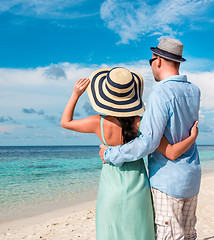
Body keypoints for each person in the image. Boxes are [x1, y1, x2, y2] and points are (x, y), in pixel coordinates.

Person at [61, 67, 198, 240]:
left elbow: (66, 122)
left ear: (105, 95)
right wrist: (192, 137)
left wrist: (75, 94)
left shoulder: (97, 122)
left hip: (110, 192)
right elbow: (170, 152)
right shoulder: (141, 123)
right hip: (138, 190)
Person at [99, 37, 201, 240]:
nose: (151, 65)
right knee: (189, 234)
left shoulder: (161, 92)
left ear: (158, 60)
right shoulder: (194, 90)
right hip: (192, 176)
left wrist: (111, 153)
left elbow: (148, 142)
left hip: (168, 181)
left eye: (150, 60)